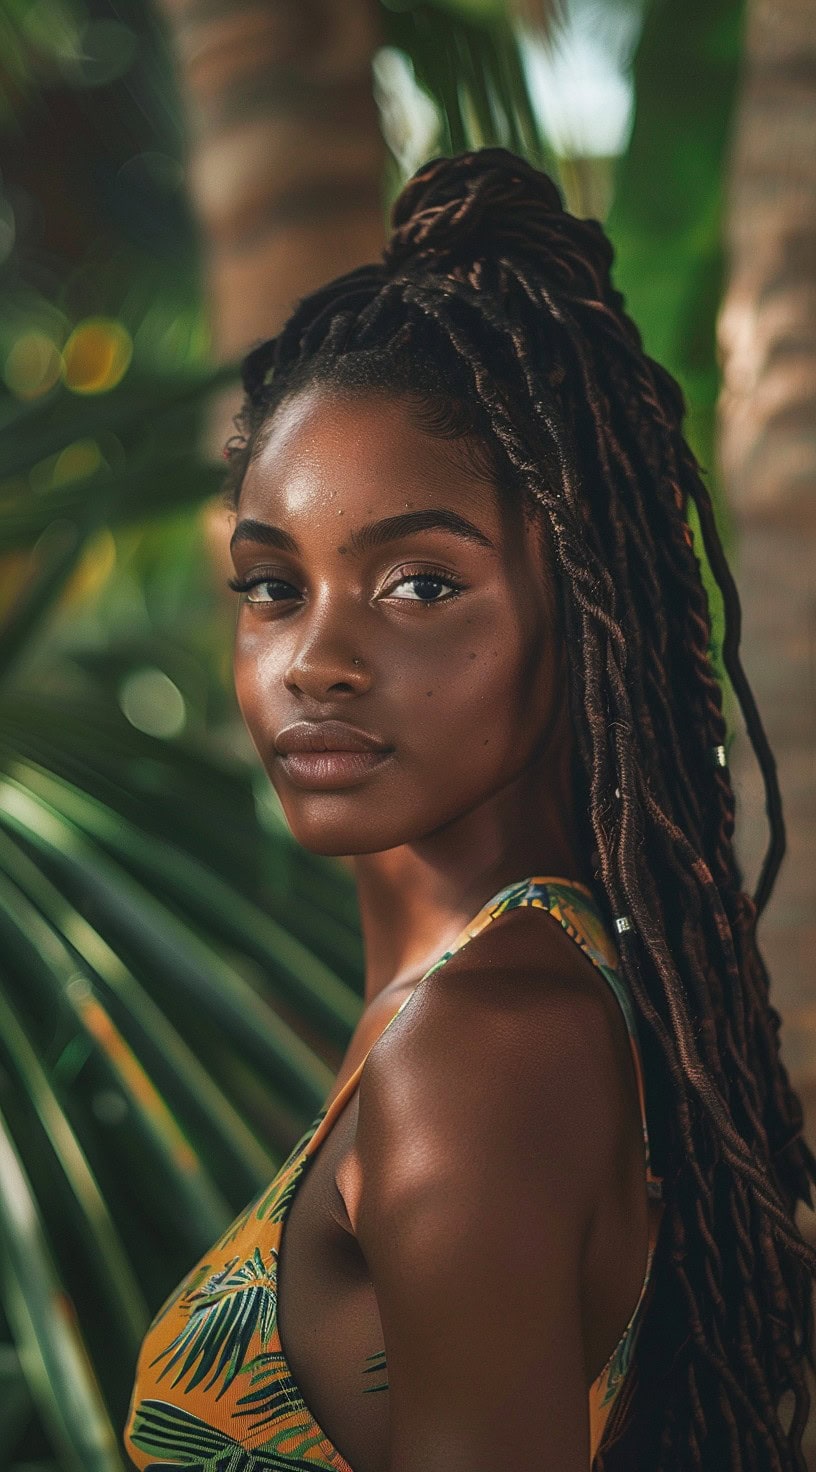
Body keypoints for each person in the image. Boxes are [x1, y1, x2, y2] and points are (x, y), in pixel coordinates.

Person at [123, 147, 816, 1472]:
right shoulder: (506, 993)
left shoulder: (478, 1052)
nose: (313, 659)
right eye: (273, 586)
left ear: (587, 613)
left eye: (419, 584)